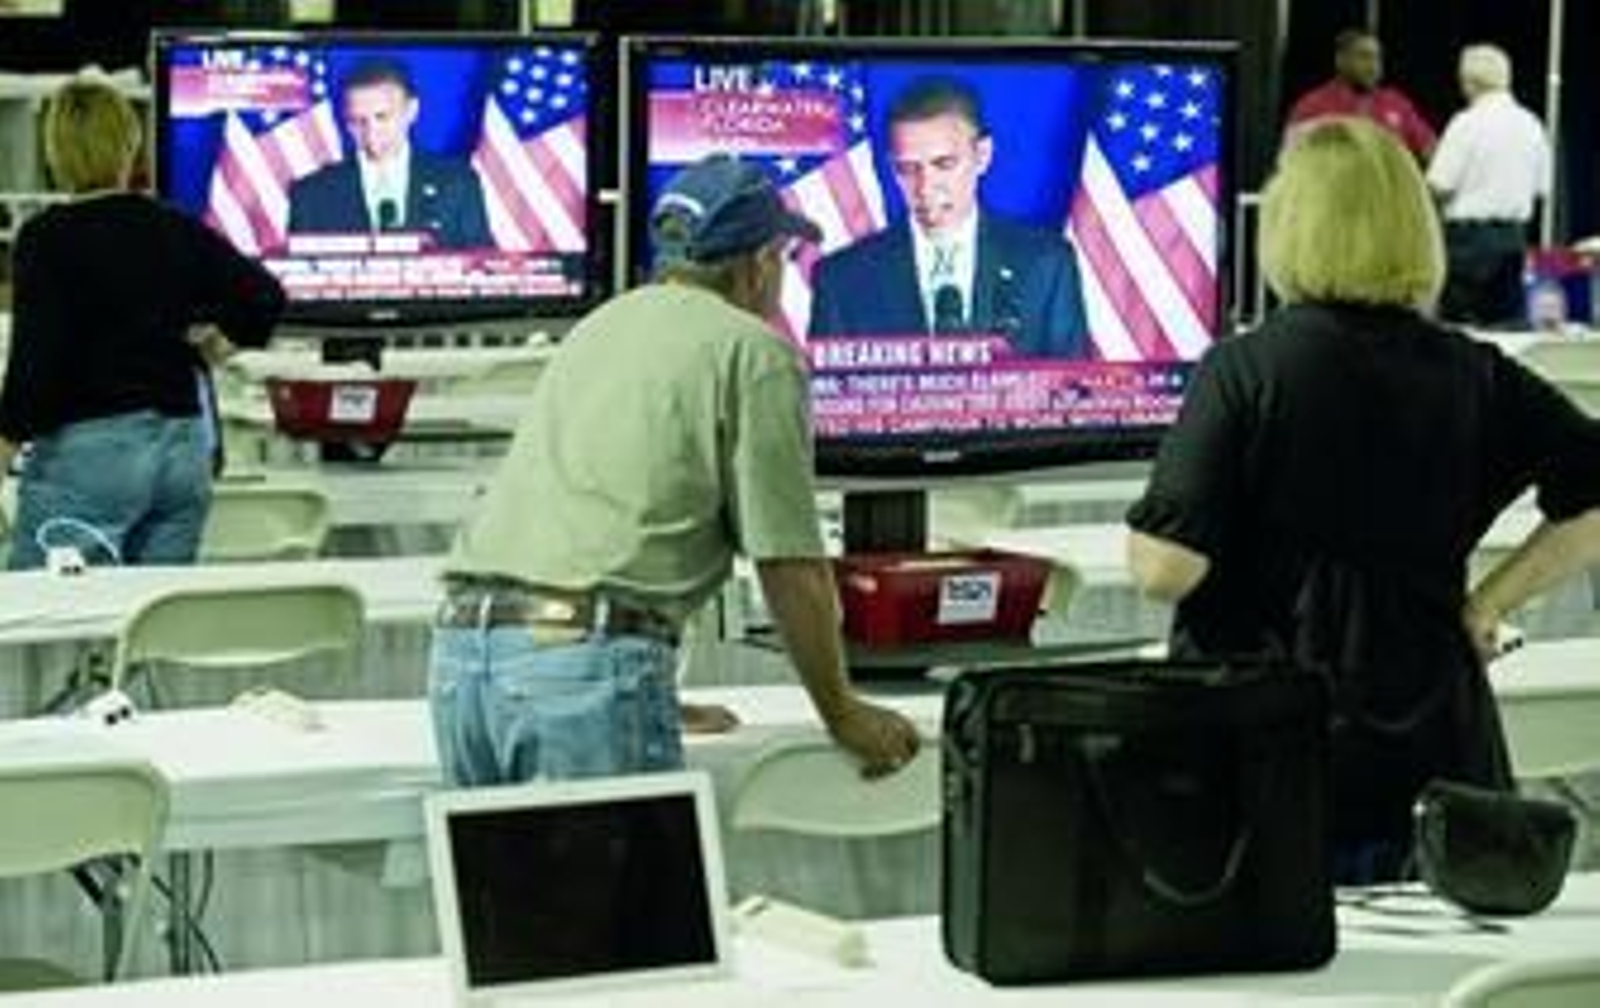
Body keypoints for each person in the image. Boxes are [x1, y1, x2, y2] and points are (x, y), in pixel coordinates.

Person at [1124, 118, 1600, 884]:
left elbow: (1162, 570)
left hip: (1266, 745)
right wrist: (1486, 604)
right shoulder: (1477, 373)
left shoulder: (1245, 370)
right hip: (1437, 749)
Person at [429, 153, 922, 785]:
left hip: (465, 658)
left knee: (509, 886)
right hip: (585, 663)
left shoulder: (601, 325)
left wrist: (638, 691)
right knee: (627, 888)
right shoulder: (754, 352)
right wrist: (843, 712)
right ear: (760, 262)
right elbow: (789, 563)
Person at [0, 75, 285, 569]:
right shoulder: (175, 227)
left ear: (55, 152)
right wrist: (219, 343)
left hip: (92, 458)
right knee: (150, 626)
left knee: (34, 626)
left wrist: (4, 443)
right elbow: (265, 297)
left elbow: (36, 364)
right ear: (130, 145)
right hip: (183, 454)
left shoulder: (47, 239)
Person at [808, 75, 1088, 357]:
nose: (925, 187)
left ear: (982, 155)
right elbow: (828, 396)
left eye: (944, 164)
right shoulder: (842, 280)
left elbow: (1070, 390)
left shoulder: (1046, 264)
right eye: (907, 169)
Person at [286, 58, 492, 250]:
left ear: (411, 111)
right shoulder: (311, 194)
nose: (371, 131)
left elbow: (481, 267)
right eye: (358, 121)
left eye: (382, 117)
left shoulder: (457, 182)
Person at [1428, 44, 1552, 326]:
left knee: (1460, 335)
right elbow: (1541, 188)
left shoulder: (1466, 123)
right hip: (1513, 241)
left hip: (1467, 246)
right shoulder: (1532, 124)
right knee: (1507, 335)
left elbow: (1439, 185)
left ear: (1470, 82)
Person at [1285, 29, 1436, 161]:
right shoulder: (1313, 105)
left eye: (1377, 58)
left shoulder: (1396, 103)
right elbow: (1289, 159)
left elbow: (1428, 146)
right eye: (1364, 57)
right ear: (1340, 61)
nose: (1373, 66)